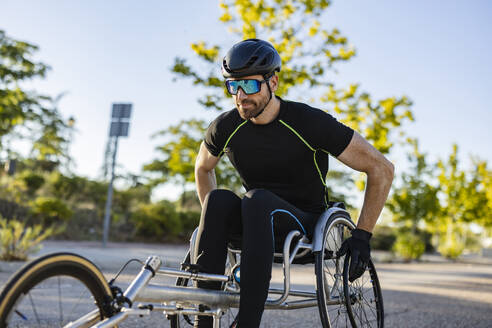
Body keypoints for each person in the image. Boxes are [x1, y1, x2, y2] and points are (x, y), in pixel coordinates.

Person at [193, 38, 394, 328]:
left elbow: (382, 169)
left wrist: (363, 236)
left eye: (249, 85)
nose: (240, 95)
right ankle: (205, 321)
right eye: (232, 86)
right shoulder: (225, 126)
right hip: (255, 221)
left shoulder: (308, 122)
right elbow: (203, 168)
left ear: (273, 82)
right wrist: (214, 225)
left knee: (257, 199)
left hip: (306, 223)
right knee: (219, 200)